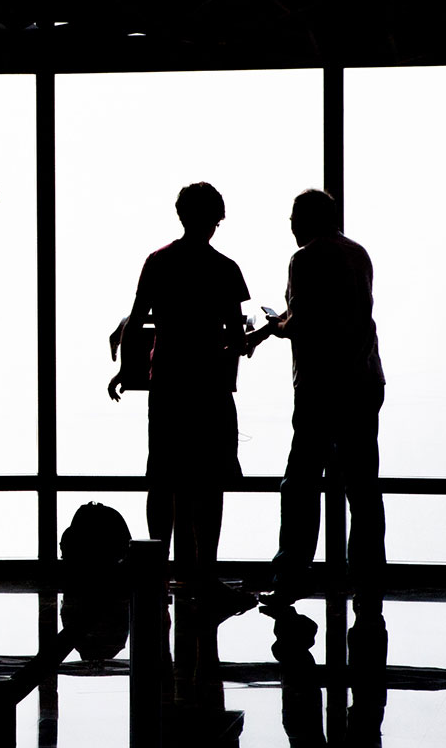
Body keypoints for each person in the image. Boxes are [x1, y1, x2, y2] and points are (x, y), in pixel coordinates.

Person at [109, 182, 253, 615]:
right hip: (208, 385)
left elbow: (136, 322)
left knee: (163, 477)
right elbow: (235, 337)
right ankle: (204, 572)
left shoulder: (158, 262)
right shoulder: (225, 269)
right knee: (209, 482)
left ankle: (158, 569)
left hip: (167, 382)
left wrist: (124, 371)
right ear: (215, 219)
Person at [252, 189, 386, 613]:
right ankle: (367, 578)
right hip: (364, 380)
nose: (290, 226)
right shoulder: (358, 253)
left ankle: (290, 578)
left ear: (308, 220)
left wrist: (273, 326)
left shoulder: (305, 258)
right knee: (362, 485)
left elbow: (304, 321)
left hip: (322, 387)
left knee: (301, 484)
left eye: (294, 218)